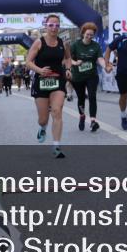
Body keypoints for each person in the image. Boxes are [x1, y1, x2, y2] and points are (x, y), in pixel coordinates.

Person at [25, 13, 71, 158]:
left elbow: (68, 58)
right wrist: (39, 70)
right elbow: (28, 62)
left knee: (57, 111)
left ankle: (56, 146)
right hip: (41, 82)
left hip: (58, 81)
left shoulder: (63, 43)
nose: (54, 28)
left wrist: (68, 69)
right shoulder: (39, 42)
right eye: (51, 25)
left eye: (57, 25)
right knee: (43, 118)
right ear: (46, 26)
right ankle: (42, 127)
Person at [70, 22, 110, 132]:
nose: (89, 36)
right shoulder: (75, 45)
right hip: (78, 76)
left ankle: (93, 121)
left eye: (91, 35)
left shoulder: (95, 46)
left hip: (91, 75)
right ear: (83, 33)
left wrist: (105, 67)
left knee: (92, 96)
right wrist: (75, 63)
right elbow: (68, 60)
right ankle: (82, 116)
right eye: (87, 34)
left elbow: (100, 59)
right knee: (81, 98)